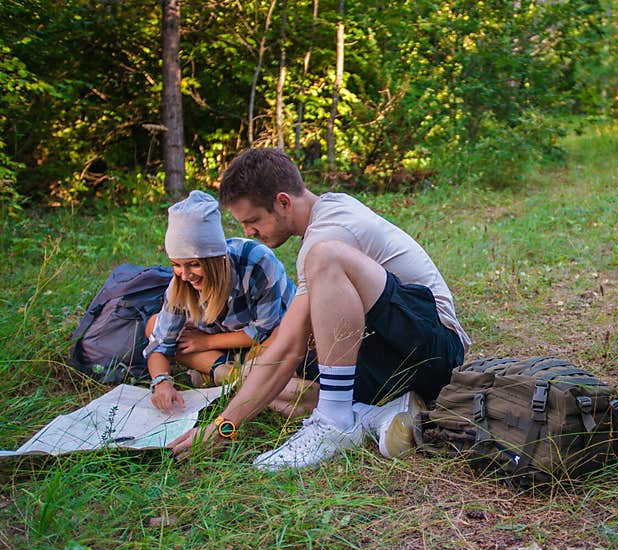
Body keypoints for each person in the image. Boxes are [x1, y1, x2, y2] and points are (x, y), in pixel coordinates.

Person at [168, 147, 470, 470]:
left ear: (283, 202)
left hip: (435, 349)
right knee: (263, 377)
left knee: (324, 259)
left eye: (253, 221)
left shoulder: (328, 235)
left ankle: (335, 421)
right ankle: (374, 416)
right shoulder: (324, 215)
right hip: (392, 352)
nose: (248, 233)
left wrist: (222, 428)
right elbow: (285, 351)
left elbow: (288, 347)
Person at [145, 189, 295, 413]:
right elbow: (161, 343)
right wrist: (162, 383)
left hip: (268, 340)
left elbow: (264, 330)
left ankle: (223, 374)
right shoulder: (181, 284)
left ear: (216, 260)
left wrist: (206, 344)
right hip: (227, 341)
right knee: (153, 324)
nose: (185, 275)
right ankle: (229, 374)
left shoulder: (257, 262)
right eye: (177, 264)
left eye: (194, 265)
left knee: (275, 344)